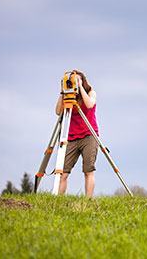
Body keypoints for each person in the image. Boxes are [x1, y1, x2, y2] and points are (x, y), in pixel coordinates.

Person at [55, 69, 99, 197]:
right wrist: (63, 92)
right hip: (71, 137)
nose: (74, 82)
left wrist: (80, 87)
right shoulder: (68, 97)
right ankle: (59, 200)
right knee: (63, 172)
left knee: (88, 170)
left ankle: (88, 200)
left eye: (77, 80)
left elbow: (90, 104)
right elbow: (58, 111)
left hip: (89, 135)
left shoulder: (91, 92)